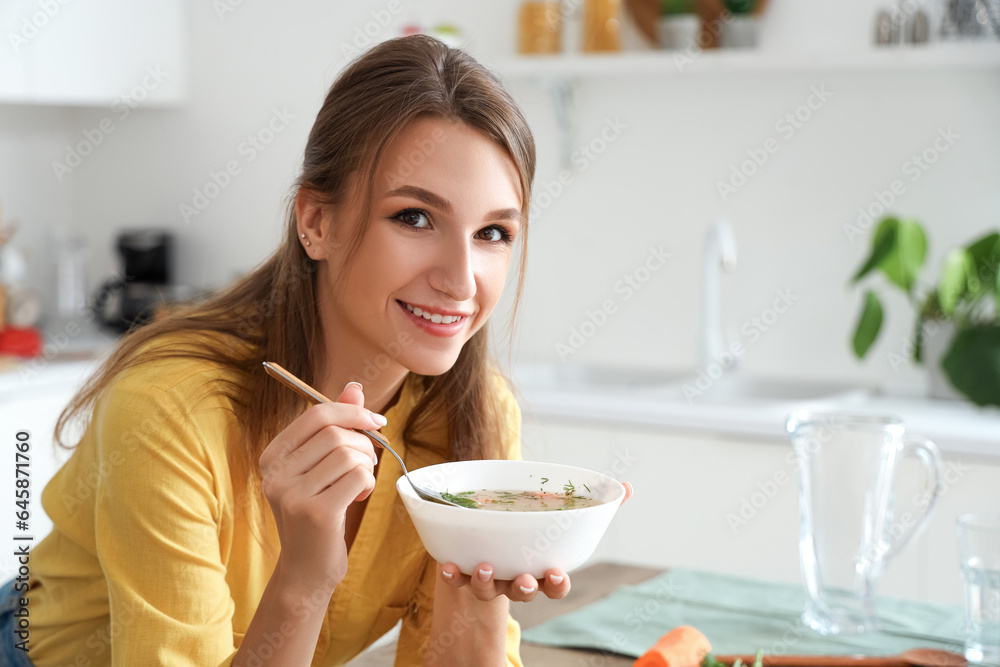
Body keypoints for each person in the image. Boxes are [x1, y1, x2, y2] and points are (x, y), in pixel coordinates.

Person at [0, 34, 572, 666]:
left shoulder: (476, 412)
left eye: (494, 232)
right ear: (316, 222)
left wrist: (480, 595)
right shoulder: (167, 409)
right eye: (413, 217)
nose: (462, 280)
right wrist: (304, 577)